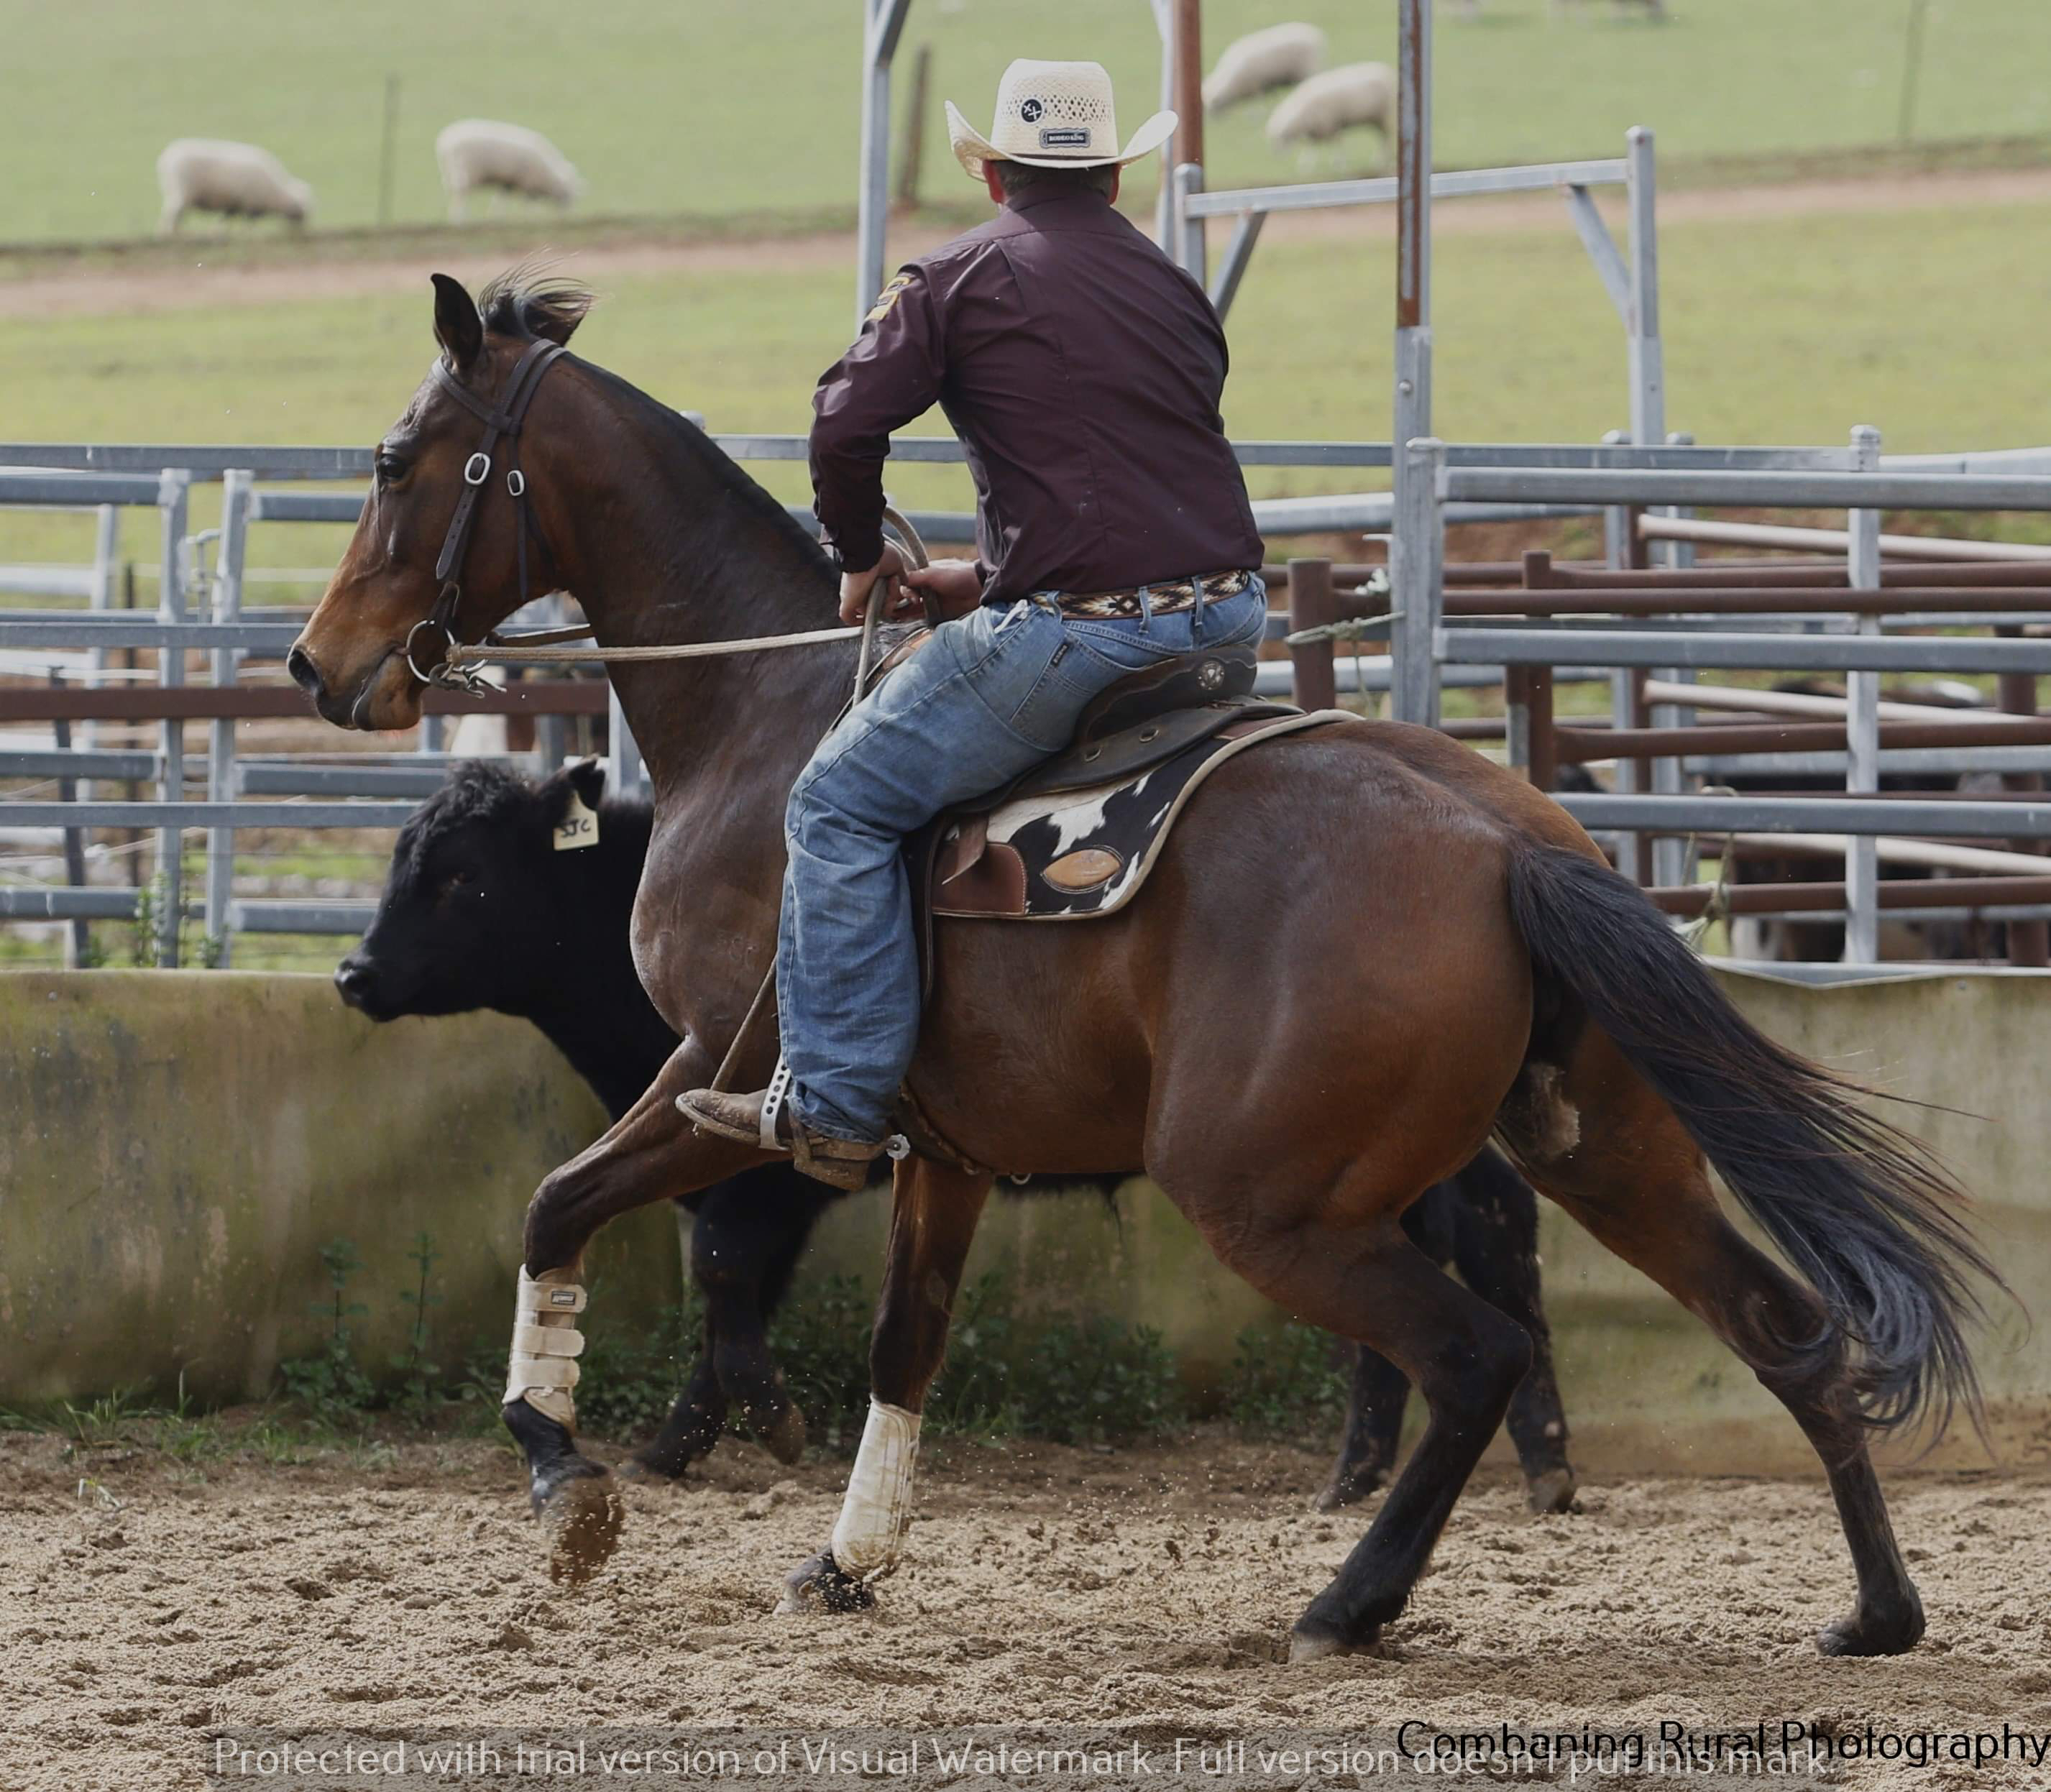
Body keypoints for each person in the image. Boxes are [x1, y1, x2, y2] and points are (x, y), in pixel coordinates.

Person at [680, 58, 1267, 1188]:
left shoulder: (955, 277)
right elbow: (1133, 467)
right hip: (1228, 621)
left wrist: (862, 557)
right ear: (1112, 176)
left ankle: (835, 1102)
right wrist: (991, 575)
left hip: (1082, 633)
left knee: (837, 803)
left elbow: (841, 424)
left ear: (993, 175)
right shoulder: (1171, 287)